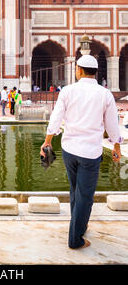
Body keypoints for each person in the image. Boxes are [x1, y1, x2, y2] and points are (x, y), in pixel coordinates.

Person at [40, 54, 122, 250]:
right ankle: (75, 238)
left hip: (70, 150)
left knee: (75, 191)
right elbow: (112, 125)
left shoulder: (68, 91)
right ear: (95, 72)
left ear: (78, 70)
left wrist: (48, 140)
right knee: (85, 195)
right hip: (90, 153)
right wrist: (116, 146)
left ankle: (80, 226)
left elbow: (56, 117)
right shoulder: (105, 94)